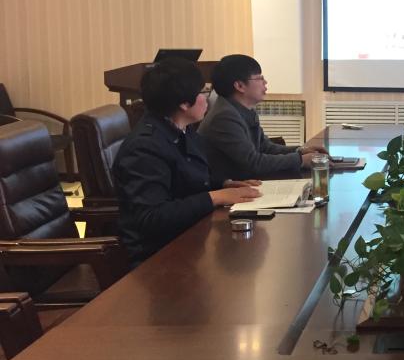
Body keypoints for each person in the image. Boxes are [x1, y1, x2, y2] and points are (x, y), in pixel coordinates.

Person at [114, 58, 261, 267]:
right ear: (184, 103)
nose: (207, 99)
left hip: (191, 238)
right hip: (158, 257)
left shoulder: (182, 130)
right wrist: (215, 197)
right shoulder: (145, 147)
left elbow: (188, 179)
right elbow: (152, 217)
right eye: (202, 92)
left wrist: (224, 184)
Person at [199, 54, 326, 183]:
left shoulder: (245, 109)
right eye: (259, 78)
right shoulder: (224, 117)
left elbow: (265, 147)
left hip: (247, 182)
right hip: (232, 188)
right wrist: (300, 160)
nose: (265, 82)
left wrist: (300, 151)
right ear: (240, 86)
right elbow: (253, 163)